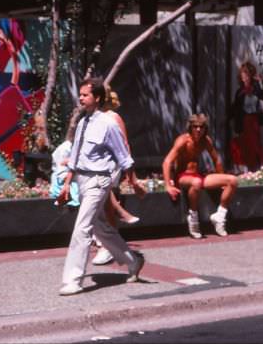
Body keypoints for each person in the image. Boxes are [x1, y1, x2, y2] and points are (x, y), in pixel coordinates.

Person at [56, 77, 145, 296]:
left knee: (82, 227)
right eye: (80, 94)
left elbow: (124, 157)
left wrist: (133, 182)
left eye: (85, 94)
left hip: (99, 180)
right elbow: (75, 158)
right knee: (99, 227)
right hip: (83, 180)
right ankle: (133, 260)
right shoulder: (82, 123)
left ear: (97, 98)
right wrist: (67, 184)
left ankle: (73, 279)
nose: (81, 98)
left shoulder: (108, 124)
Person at [92, 88, 147, 265]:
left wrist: (131, 177)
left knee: (105, 204)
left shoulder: (112, 117)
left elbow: (124, 146)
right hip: (94, 165)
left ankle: (108, 246)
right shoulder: (92, 116)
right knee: (102, 204)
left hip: (110, 165)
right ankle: (109, 241)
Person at [162, 114, 238, 239]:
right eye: (195, 126)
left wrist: (222, 180)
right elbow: (167, 161)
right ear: (190, 127)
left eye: (201, 127)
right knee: (196, 182)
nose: (198, 129)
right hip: (182, 176)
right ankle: (193, 218)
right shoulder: (183, 140)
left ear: (205, 128)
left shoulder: (205, 140)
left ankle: (219, 216)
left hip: (198, 175)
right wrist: (168, 185)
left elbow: (216, 160)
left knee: (232, 180)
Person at [230, 61, 263, 172]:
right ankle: (246, 170)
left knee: (255, 145)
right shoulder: (240, 91)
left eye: (246, 74)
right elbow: (235, 108)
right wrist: (230, 120)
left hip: (253, 121)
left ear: (251, 75)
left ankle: (258, 169)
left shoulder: (255, 90)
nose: (244, 77)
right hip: (243, 121)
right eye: (242, 74)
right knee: (244, 145)